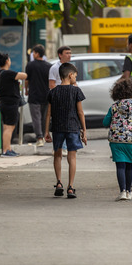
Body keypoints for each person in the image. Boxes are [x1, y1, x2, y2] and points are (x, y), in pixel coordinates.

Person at [44, 63, 87, 198]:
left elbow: (48, 113)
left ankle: (58, 183)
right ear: (70, 75)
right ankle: (70, 187)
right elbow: (80, 112)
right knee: (71, 156)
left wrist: (46, 131)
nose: (75, 78)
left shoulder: (53, 92)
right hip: (73, 127)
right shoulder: (76, 91)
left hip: (57, 128)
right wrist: (84, 130)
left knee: (57, 155)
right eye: (75, 75)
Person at [103, 78, 132, 201]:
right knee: (129, 166)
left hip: (116, 141)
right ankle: (129, 191)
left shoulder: (114, 107)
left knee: (120, 166)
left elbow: (105, 123)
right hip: (131, 141)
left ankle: (122, 192)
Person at [0, 52, 27, 157]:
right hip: (10, 104)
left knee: (7, 127)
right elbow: (23, 75)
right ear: (7, 61)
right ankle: (6, 151)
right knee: (9, 128)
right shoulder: (7, 73)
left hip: (4, 103)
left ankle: (8, 148)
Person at [25, 45, 52, 147]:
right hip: (46, 95)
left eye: (33, 52)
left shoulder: (30, 65)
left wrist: (26, 90)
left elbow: (26, 80)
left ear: (36, 53)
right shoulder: (49, 66)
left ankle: (39, 138)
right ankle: (45, 135)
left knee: (36, 118)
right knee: (45, 118)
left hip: (34, 95)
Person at [49, 46, 72, 155]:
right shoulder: (54, 68)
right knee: (59, 123)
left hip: (69, 99)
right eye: (66, 53)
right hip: (59, 100)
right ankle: (60, 147)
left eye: (70, 53)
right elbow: (52, 84)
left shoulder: (71, 67)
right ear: (60, 55)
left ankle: (66, 146)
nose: (69, 55)